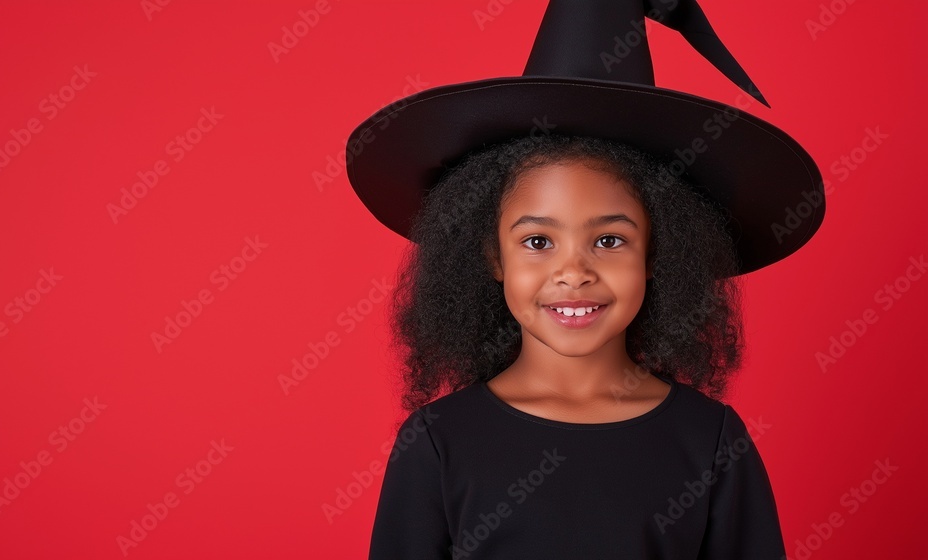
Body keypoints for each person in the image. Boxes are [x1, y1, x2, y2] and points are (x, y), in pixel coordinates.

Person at [345, 1, 824, 558]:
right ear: (492, 257)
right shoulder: (438, 442)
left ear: (657, 254)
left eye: (610, 240)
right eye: (538, 242)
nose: (573, 272)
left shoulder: (711, 440)